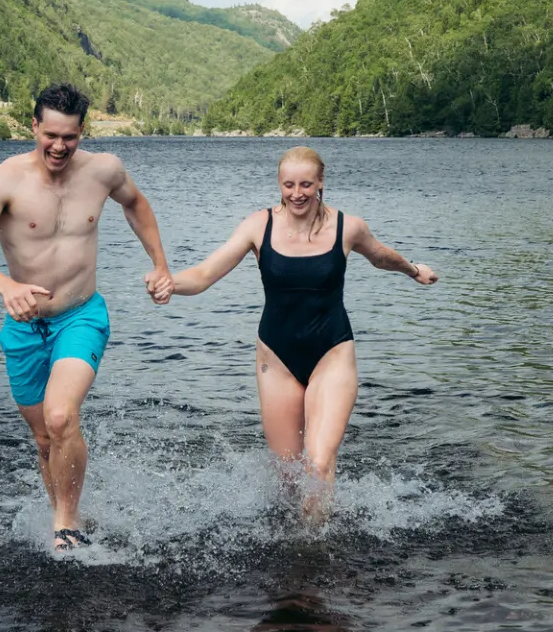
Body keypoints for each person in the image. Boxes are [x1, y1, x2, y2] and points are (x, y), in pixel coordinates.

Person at [0, 82, 173, 551]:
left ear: (82, 132)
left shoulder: (104, 171)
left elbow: (136, 204)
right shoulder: (3, 180)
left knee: (60, 413)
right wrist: (6, 286)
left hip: (81, 315)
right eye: (50, 134)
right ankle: (68, 516)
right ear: (33, 126)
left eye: (69, 137)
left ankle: (65, 526)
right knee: (45, 438)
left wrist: (159, 264)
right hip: (24, 329)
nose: (59, 146)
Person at [170, 146, 435, 519]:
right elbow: (203, 275)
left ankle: (314, 552)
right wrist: (168, 283)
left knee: (320, 461)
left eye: (306, 184)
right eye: (289, 184)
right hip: (276, 359)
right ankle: (294, 546)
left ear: (321, 183)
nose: (297, 193)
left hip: (332, 352)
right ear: (279, 184)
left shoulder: (347, 227)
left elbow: (380, 255)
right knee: (289, 476)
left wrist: (413, 270)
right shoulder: (257, 226)